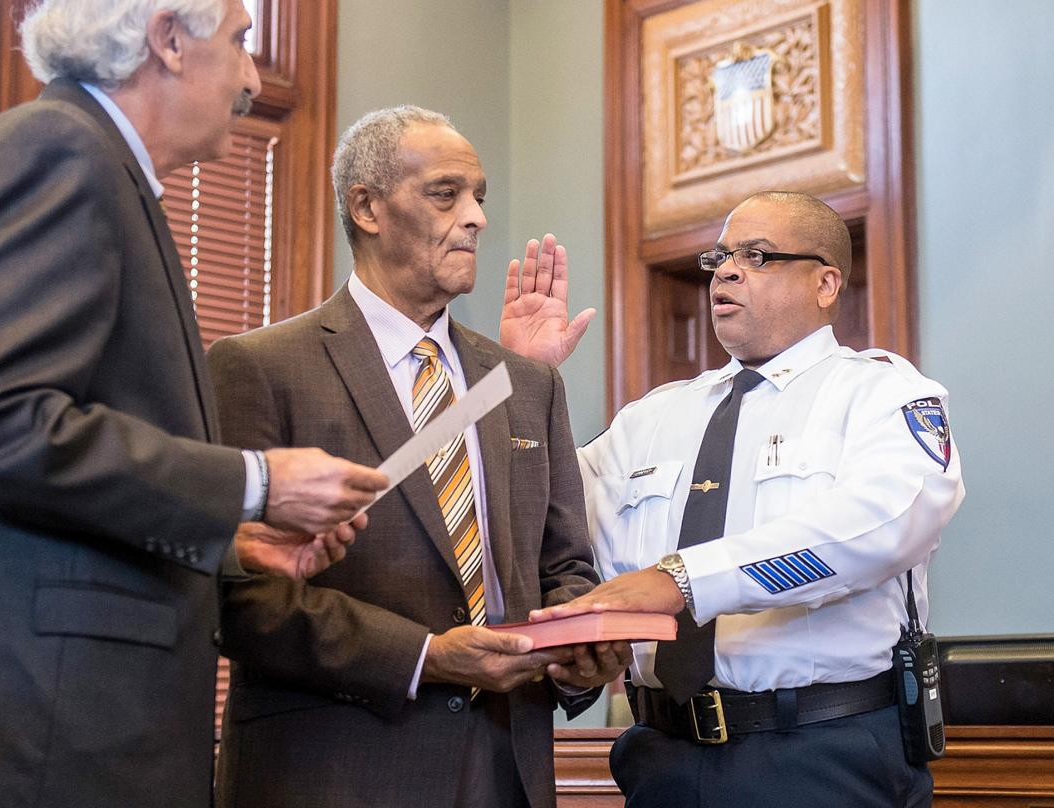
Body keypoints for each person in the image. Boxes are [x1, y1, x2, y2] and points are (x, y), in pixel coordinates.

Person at [0, 1, 388, 806]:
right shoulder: (60, 155)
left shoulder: (83, 163)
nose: (251, 77)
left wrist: (234, 542)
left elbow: (57, 478)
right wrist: (257, 481)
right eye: (241, 42)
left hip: (56, 724)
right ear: (168, 41)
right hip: (40, 736)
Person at [206, 105, 630, 808]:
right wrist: (426, 658)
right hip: (335, 772)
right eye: (446, 194)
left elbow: (564, 568)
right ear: (367, 207)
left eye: (479, 197)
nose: (476, 218)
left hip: (507, 770)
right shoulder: (259, 367)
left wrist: (578, 658)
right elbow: (243, 598)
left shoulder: (524, 382)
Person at [508, 191, 965, 807]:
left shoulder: (881, 394)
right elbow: (533, 522)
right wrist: (522, 385)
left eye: (757, 256)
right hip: (660, 756)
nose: (725, 270)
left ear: (826, 283)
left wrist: (681, 581)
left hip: (820, 753)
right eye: (720, 257)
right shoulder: (652, 417)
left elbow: (884, 524)